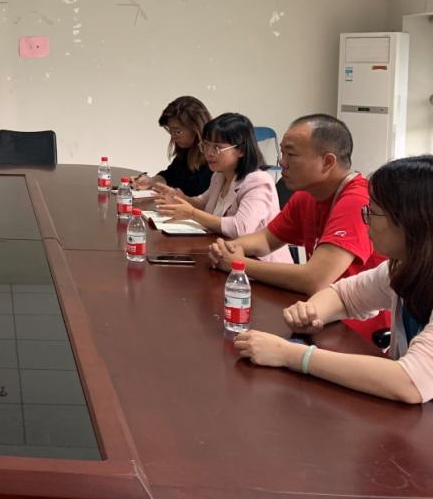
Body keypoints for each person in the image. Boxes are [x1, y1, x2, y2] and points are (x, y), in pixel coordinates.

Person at [234, 155, 433, 404]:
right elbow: (343, 295)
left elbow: (410, 382)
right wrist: (312, 312)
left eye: (373, 213)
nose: (366, 222)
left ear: (411, 222)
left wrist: (292, 356)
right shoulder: (400, 268)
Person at [209, 114, 389, 337]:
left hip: (355, 329)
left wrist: (239, 264)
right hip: (315, 314)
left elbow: (315, 279)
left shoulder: (357, 200)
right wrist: (231, 247)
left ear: (327, 162)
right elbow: (266, 239)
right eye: (282, 153)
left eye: (291, 155)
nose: (282, 163)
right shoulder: (308, 195)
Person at [156, 112, 290, 262]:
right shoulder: (219, 175)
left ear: (241, 150)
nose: (209, 153)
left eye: (217, 148)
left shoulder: (258, 182)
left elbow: (240, 228)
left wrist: (192, 213)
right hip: (225, 255)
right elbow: (203, 202)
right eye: (206, 145)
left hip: (260, 264)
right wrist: (180, 198)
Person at [133, 96, 213, 196]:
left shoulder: (213, 161)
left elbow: (202, 199)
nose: (173, 137)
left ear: (196, 128)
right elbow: (169, 175)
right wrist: (151, 181)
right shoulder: (186, 151)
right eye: (171, 131)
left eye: (178, 132)